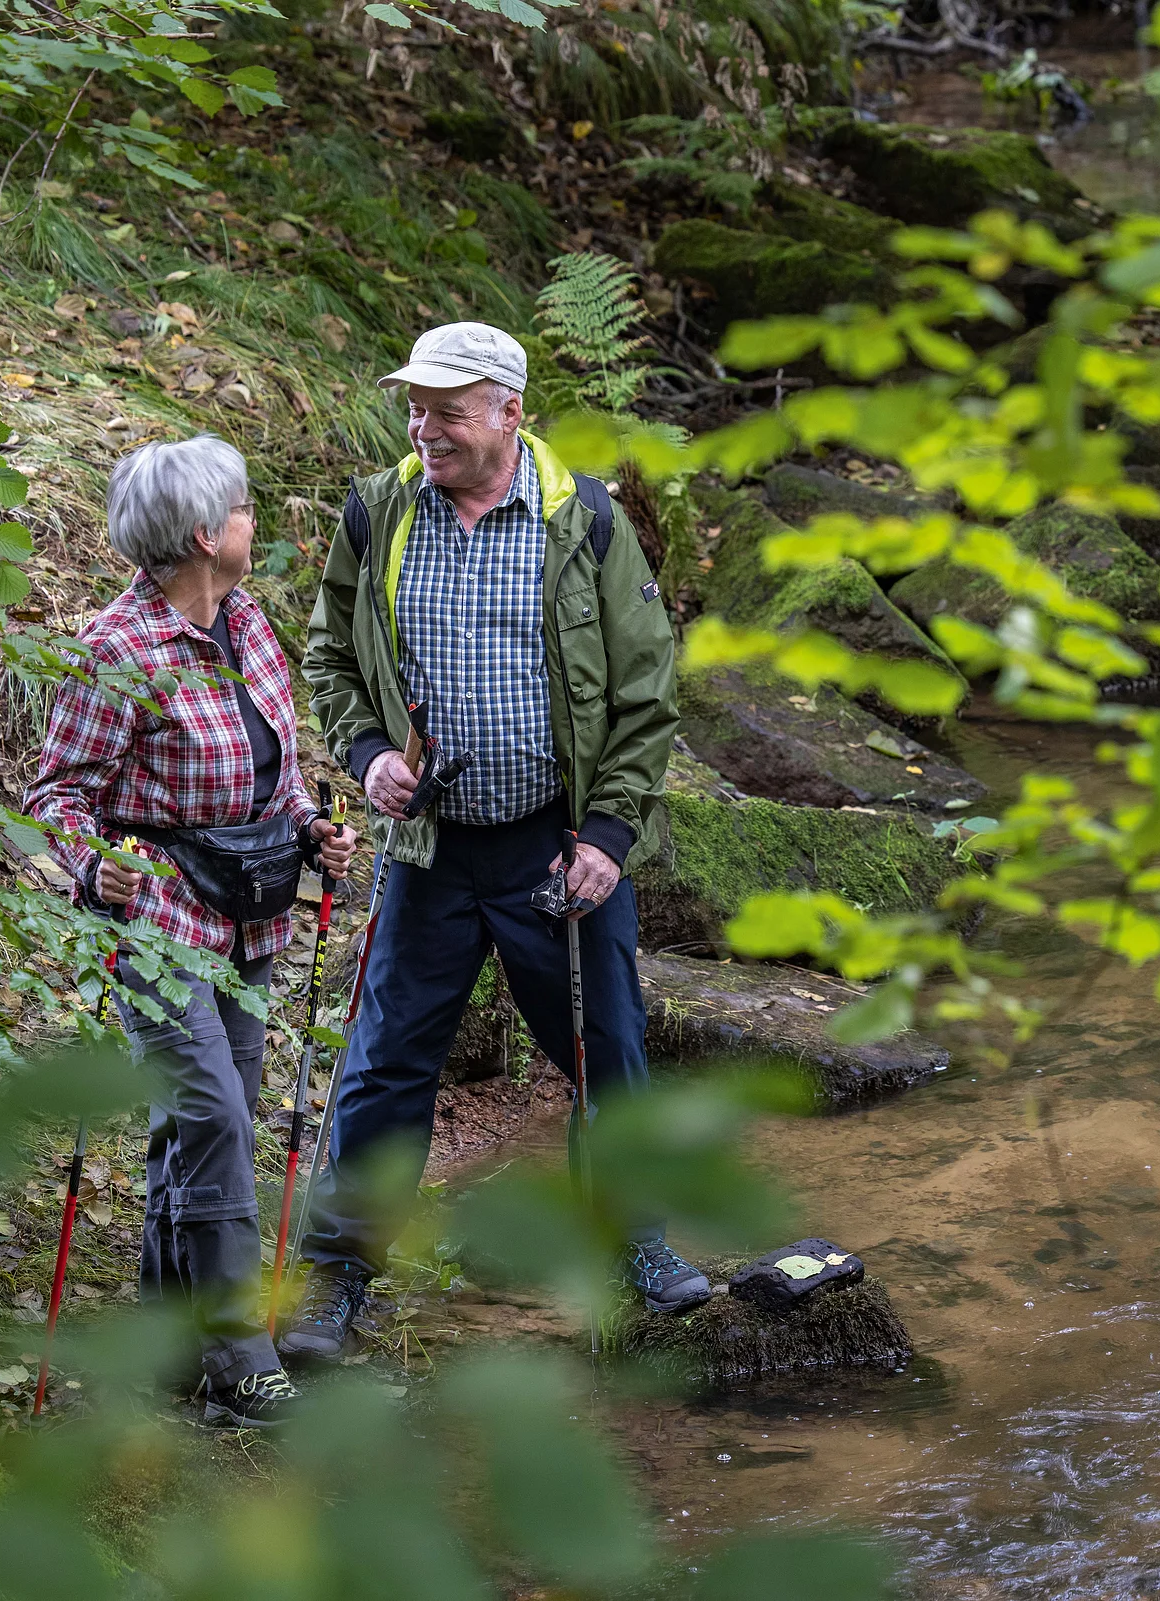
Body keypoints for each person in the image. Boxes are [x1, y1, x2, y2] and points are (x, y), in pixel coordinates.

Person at [285, 321, 699, 1364]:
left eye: (448, 409)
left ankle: (636, 1242)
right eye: (415, 407)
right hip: (429, 849)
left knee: (606, 1050)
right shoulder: (379, 512)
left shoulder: (585, 521)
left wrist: (609, 833)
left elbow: (648, 693)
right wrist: (371, 751)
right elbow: (330, 653)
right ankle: (337, 1277)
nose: (424, 427)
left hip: (558, 847)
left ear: (510, 412)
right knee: (384, 1065)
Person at [25, 434, 358, 1428]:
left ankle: (169, 1351)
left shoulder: (247, 623)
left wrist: (312, 830)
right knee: (213, 1115)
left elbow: (278, 768)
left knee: (205, 1126)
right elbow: (56, 794)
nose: (258, 522)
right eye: (247, 508)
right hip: (161, 921)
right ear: (208, 534)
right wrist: (95, 864)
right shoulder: (117, 650)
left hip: (250, 920)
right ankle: (241, 1352)